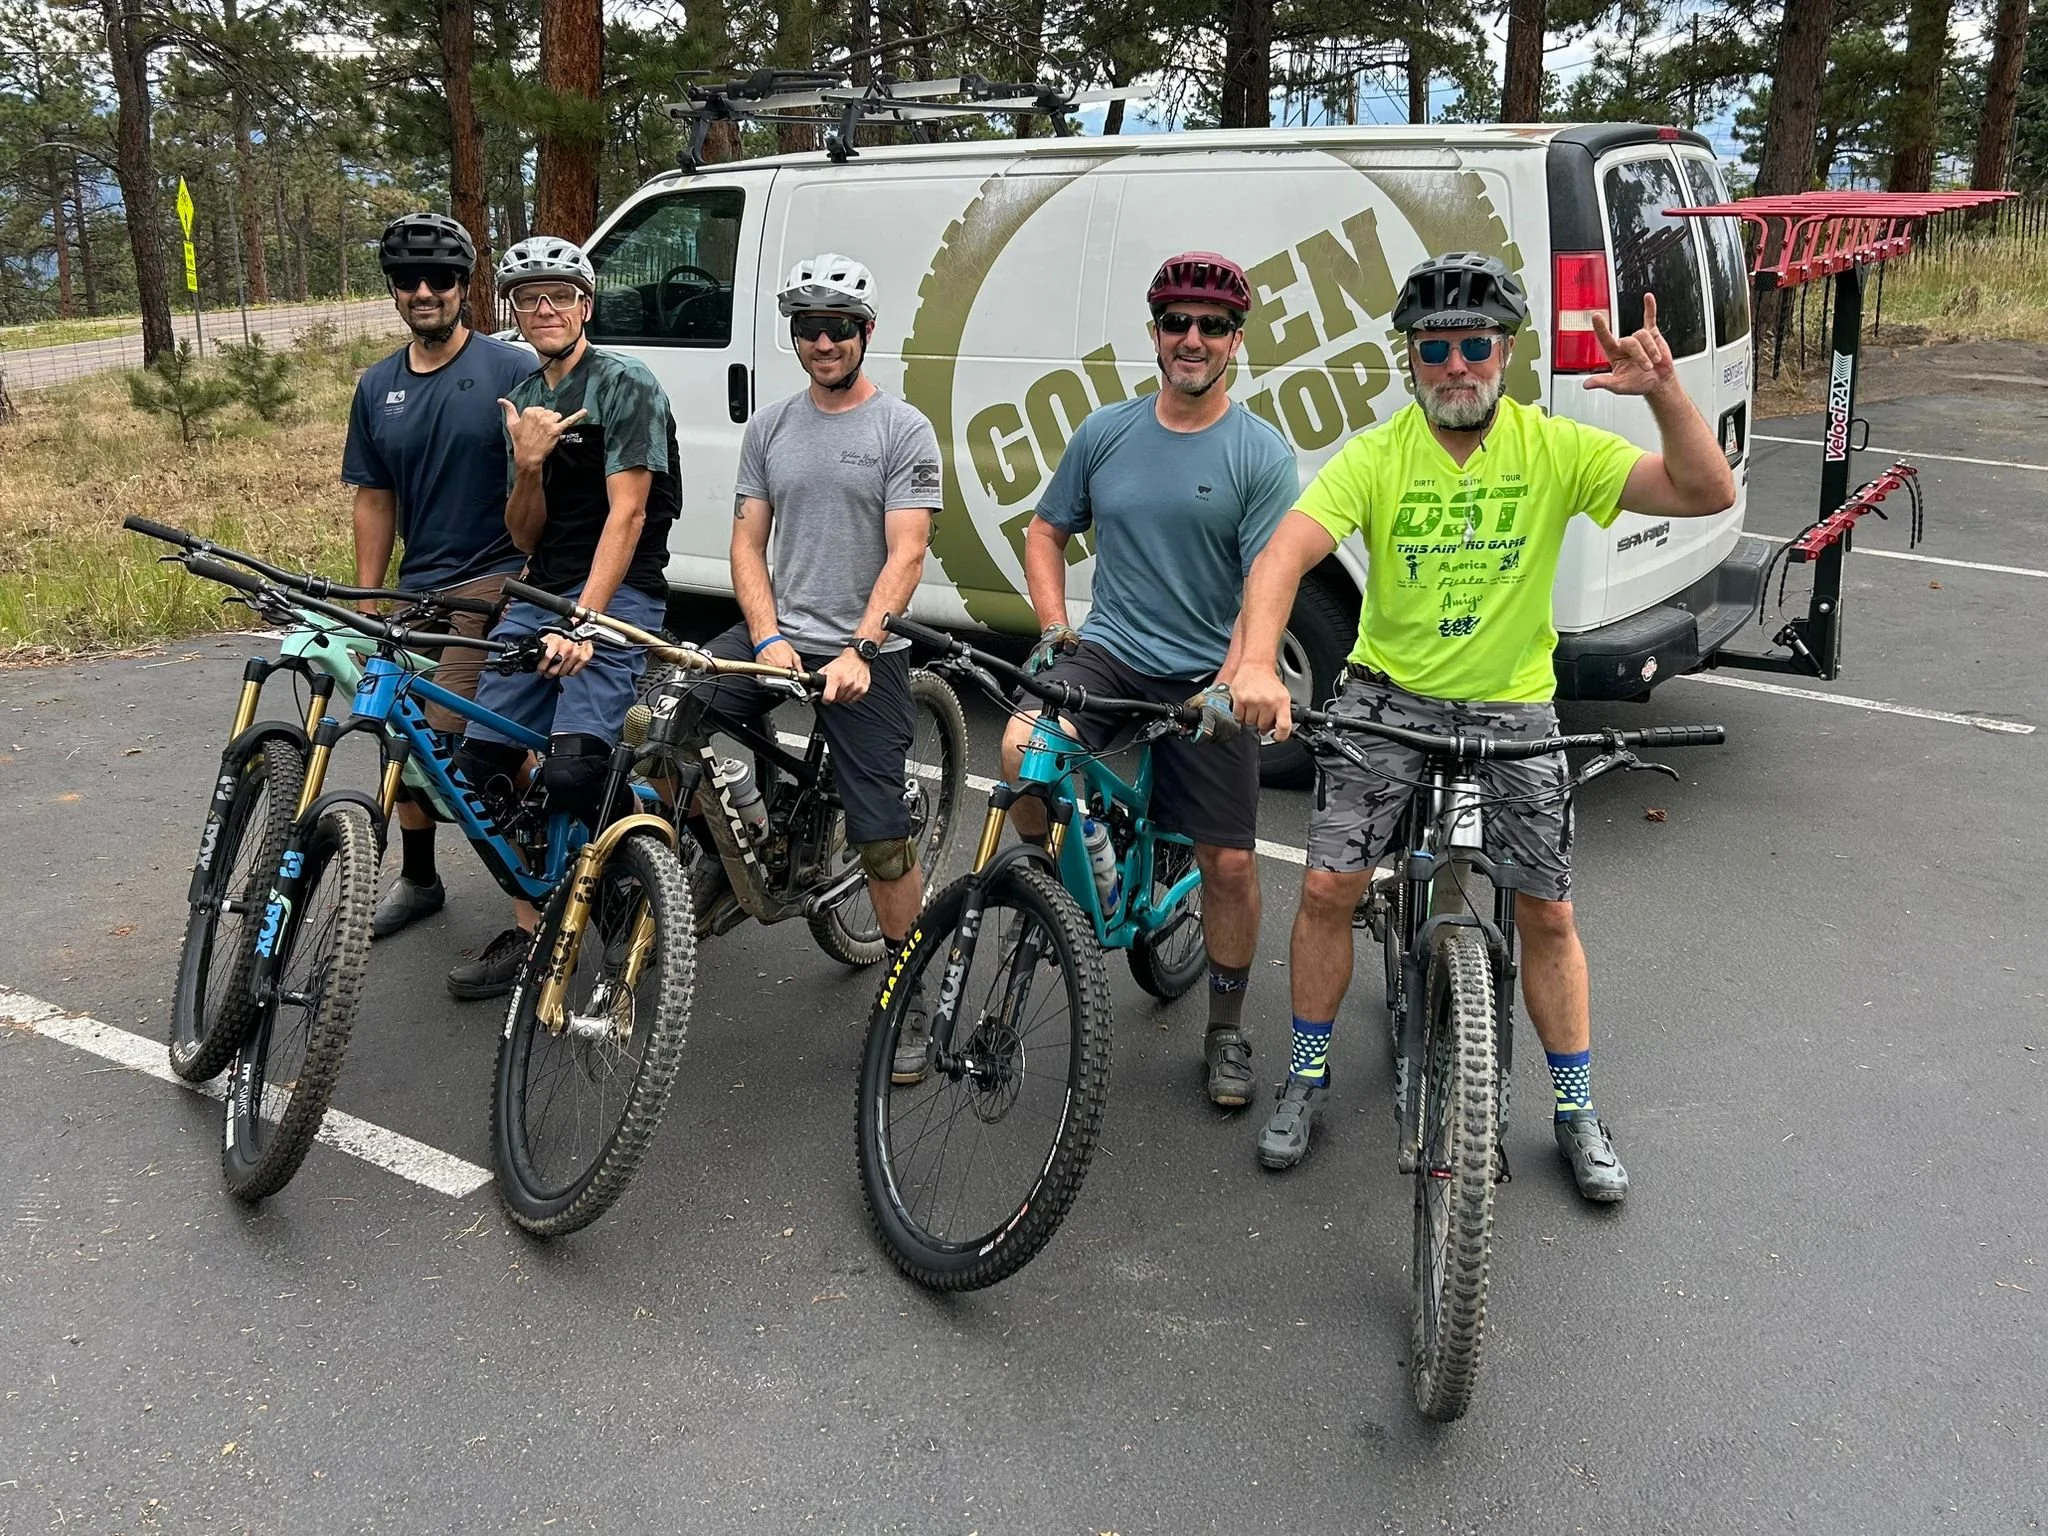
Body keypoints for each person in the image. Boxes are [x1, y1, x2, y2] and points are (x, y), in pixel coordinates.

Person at [1230, 251, 1737, 1194]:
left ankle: (1576, 1106)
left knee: (1548, 912)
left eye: (1475, 345)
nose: (1456, 365)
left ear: (1504, 353)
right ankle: (1304, 1074)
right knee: (1331, 890)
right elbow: (1281, 559)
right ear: (1410, 361)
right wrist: (1258, 660)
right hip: (1389, 695)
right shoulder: (1379, 456)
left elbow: (1707, 492)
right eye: (1435, 349)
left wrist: (1665, 392)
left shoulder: (1551, 447)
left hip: (1513, 704)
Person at [998, 251, 1297, 1109]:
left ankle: (1227, 1029)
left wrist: (1240, 672)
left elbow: (1264, 585)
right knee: (1023, 751)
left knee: (1231, 862)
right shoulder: (1107, 432)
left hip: (1210, 668)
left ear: (1236, 342)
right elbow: (1046, 532)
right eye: (1176, 323)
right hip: (1112, 651)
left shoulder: (1259, 453)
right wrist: (1055, 629)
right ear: (1155, 335)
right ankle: (1071, 870)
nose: (1191, 339)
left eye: (1210, 326)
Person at [688, 253, 940, 1011]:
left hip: (868, 649)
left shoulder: (903, 428)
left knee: (882, 842)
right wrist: (765, 638)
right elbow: (745, 545)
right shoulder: (770, 427)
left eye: (837, 328)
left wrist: (862, 648)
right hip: (776, 638)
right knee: (660, 725)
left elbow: (909, 550)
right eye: (807, 328)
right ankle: (725, 852)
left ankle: (911, 996)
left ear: (865, 332)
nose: (822, 343)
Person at [443, 235, 679, 1001]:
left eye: (559, 296)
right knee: (476, 773)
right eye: (527, 298)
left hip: (618, 593)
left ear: (585, 304)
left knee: (576, 769)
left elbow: (630, 515)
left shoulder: (624, 384)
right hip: (540, 589)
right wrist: (531, 464)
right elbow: (523, 535)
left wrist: (586, 623)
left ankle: (628, 887)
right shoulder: (529, 403)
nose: (543, 309)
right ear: (513, 310)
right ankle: (538, 911)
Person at [342, 212, 535, 939]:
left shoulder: (508, 370)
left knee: (455, 739)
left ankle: (531, 867)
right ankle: (420, 879)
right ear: (393, 290)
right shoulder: (377, 385)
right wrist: (367, 605)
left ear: (465, 287)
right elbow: (374, 496)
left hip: (495, 575)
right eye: (408, 280)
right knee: (395, 723)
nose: (425, 292)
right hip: (414, 582)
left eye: (441, 279)